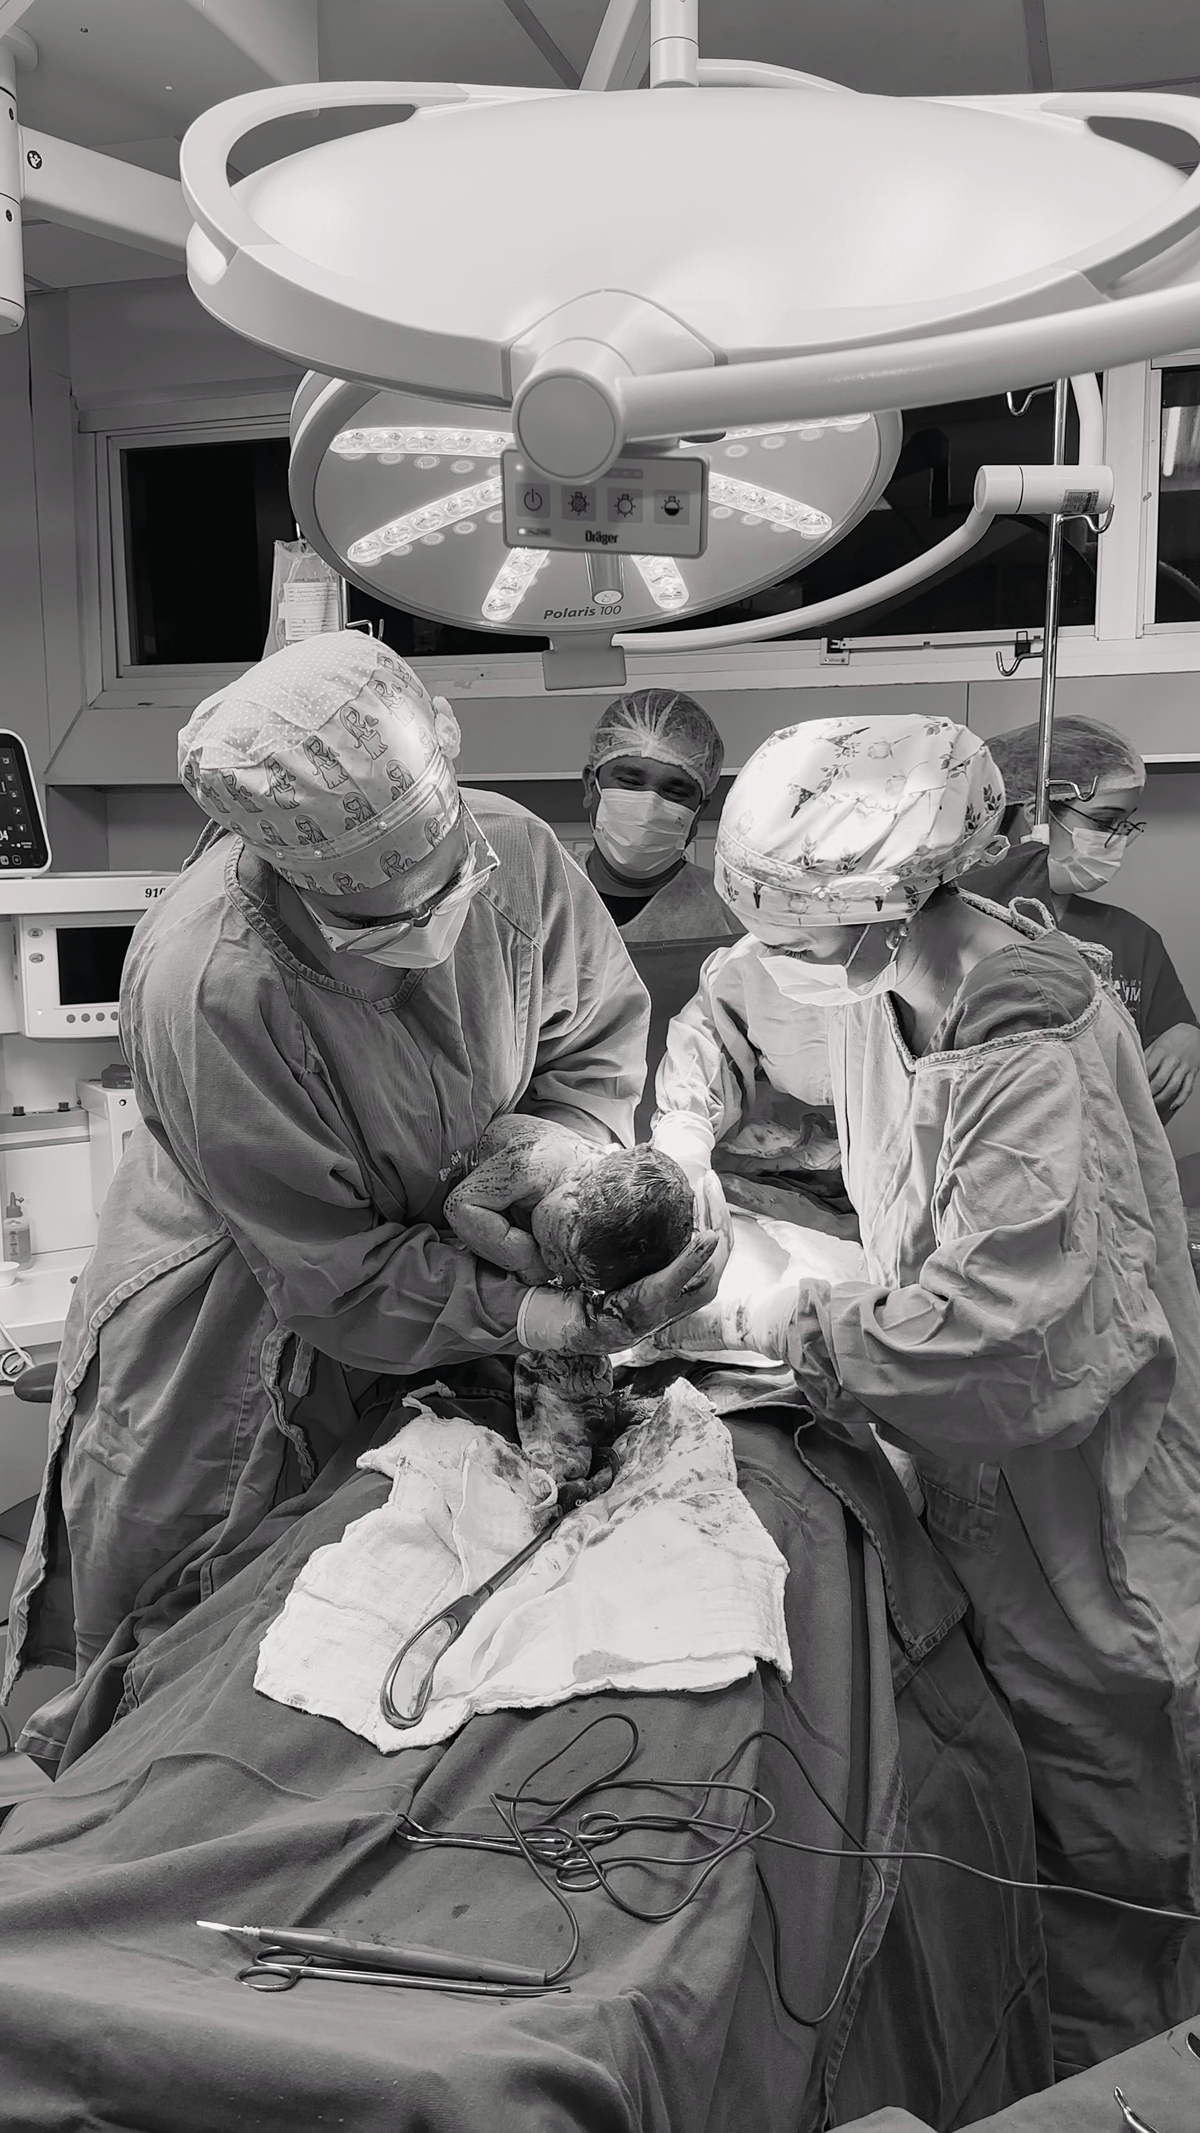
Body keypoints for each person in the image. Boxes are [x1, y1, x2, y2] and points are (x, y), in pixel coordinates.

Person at [5, 630, 717, 1773]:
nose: (427, 934)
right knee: (184, 1661)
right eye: (380, 926)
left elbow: (592, 1042)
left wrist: (561, 1169)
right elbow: (333, 1272)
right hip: (231, 1328)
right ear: (286, 874)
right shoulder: (211, 983)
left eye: (447, 885)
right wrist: (541, 1316)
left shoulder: (517, 855)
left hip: (438, 1302)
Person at [628, 711, 1200, 2075]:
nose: (786, 962)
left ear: (895, 904)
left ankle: (1119, 2078)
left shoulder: (1025, 1033)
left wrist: (771, 1315)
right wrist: (686, 1145)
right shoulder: (886, 974)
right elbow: (737, 1009)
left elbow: (998, 1336)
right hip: (981, 1482)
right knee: (1006, 1816)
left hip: (1086, 1512)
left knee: (1109, 1853)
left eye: (806, 935)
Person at [967, 716, 1200, 1120]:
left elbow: (1163, 1040)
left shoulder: (1131, 937)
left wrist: (1187, 1039)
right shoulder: (959, 930)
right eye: (1105, 821)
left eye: (1124, 824)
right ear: (1036, 813)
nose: (1117, 839)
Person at [582, 687, 740, 943]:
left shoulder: (733, 916)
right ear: (591, 786)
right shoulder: (540, 897)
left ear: (698, 812)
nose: (649, 808)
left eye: (675, 792)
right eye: (630, 782)